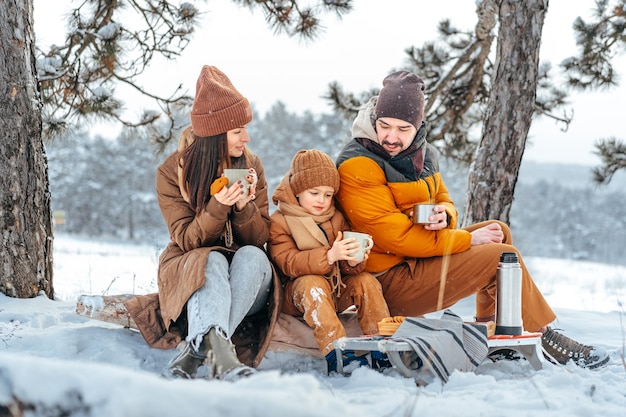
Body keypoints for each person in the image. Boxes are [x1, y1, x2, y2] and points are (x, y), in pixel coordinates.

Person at [334, 70, 609, 369]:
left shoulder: (422, 156)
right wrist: (466, 238)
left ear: (417, 126)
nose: (391, 137)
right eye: (384, 126)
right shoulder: (358, 163)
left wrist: (445, 216)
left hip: (413, 262)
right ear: (374, 118)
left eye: (402, 129)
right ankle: (545, 336)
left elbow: (444, 200)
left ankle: (495, 331)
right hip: (386, 280)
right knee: (501, 256)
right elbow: (394, 237)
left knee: (498, 231)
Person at [125, 65, 280, 381]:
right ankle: (222, 356)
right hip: (192, 274)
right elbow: (186, 240)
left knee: (252, 256)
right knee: (209, 258)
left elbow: (260, 237)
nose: (246, 138)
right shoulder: (172, 173)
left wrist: (242, 207)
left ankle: (199, 347)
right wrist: (216, 208)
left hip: (248, 279)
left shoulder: (251, 165)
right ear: (215, 135)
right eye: (238, 131)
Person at [269, 149, 391, 373]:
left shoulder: (335, 217)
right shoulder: (280, 221)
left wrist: (353, 260)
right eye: (314, 193)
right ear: (297, 190)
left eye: (327, 195)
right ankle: (338, 351)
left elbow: (346, 266)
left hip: (335, 288)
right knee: (312, 284)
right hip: (296, 293)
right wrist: (328, 256)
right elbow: (288, 261)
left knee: (365, 281)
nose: (321, 201)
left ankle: (381, 344)